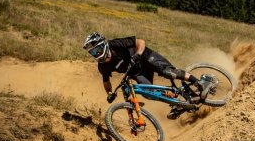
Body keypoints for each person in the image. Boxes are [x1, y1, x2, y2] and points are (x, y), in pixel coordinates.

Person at [83, 32, 212, 104]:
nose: (96, 54)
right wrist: (110, 94)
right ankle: (176, 100)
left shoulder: (115, 44)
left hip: (145, 57)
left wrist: (138, 54)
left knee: (168, 72)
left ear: (103, 44)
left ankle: (200, 82)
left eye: (97, 50)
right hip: (138, 73)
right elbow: (106, 81)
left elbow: (141, 42)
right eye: (93, 53)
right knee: (148, 94)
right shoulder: (103, 66)